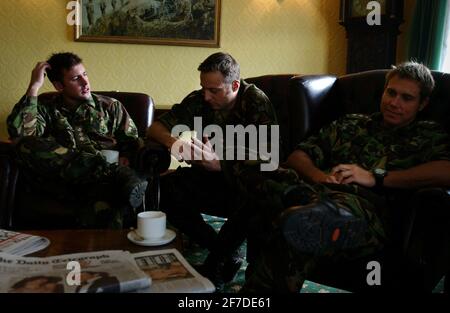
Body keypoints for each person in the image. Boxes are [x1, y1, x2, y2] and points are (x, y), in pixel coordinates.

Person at [240, 61, 450, 292]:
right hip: (316, 189)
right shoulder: (351, 123)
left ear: (423, 104)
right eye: (391, 92)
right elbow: (298, 156)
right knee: (247, 160)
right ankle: (301, 202)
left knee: (305, 224)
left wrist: (376, 177)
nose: (394, 102)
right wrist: (318, 176)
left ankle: (305, 211)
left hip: (363, 209)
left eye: (406, 98)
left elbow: (445, 171)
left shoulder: (429, 134)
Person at [146, 52, 278, 289]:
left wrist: (219, 163)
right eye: (203, 88)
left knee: (259, 193)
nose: (206, 96)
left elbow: (270, 158)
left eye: (214, 90)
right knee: (164, 187)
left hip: (243, 183)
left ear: (235, 85)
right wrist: (173, 142)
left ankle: (215, 263)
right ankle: (220, 248)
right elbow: (155, 127)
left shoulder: (256, 101)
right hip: (210, 179)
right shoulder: (200, 99)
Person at [7, 52, 148, 229]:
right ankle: (106, 171)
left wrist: (127, 154)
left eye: (85, 74)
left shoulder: (110, 106)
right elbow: (20, 133)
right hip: (64, 180)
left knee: (107, 204)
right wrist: (34, 87)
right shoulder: (46, 109)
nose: (85, 82)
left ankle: (106, 176)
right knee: (24, 144)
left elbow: (132, 141)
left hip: (101, 185)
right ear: (59, 85)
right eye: (75, 78)